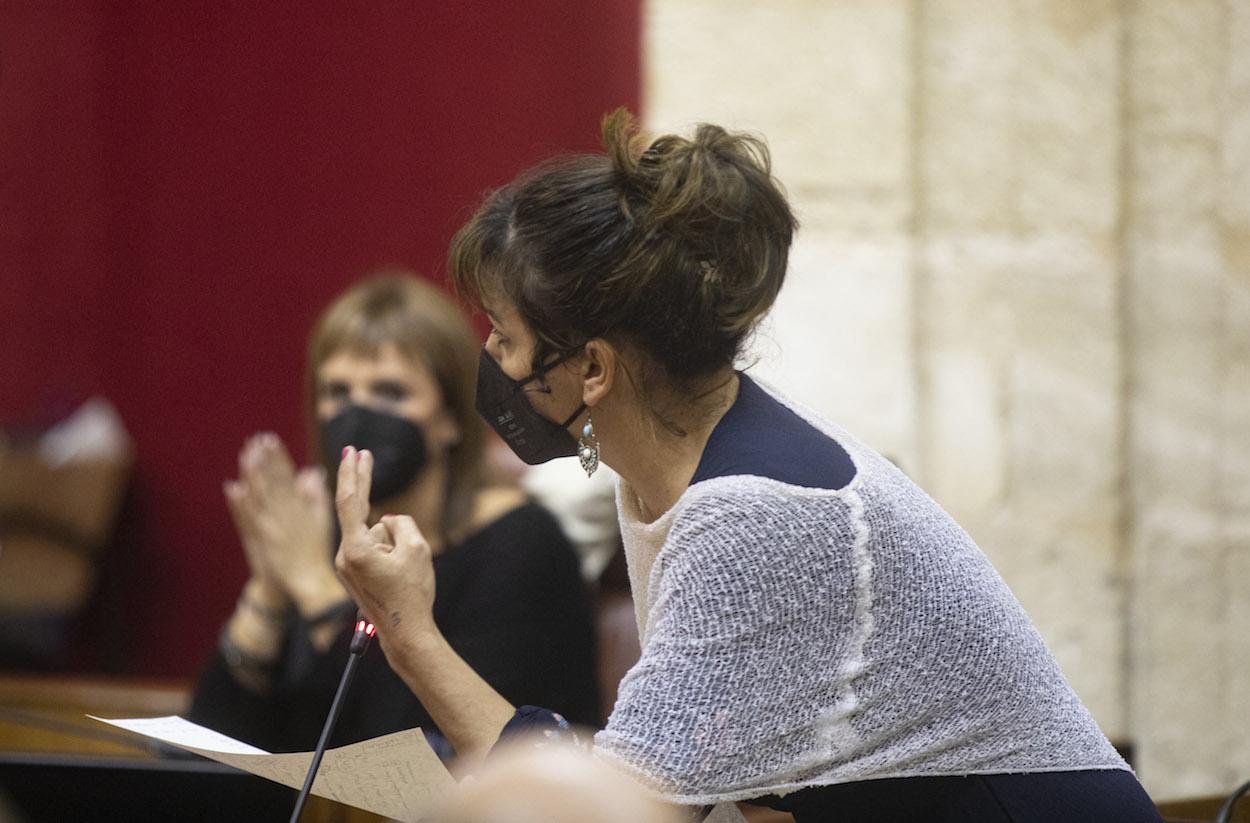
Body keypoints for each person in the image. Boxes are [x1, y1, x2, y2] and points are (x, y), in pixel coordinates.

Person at [331, 116, 1163, 821]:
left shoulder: (750, 512)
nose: (491, 356)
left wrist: (406, 630)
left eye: (505, 335)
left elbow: (615, 811)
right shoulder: (674, 468)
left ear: (591, 369)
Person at [188, 275, 600, 755]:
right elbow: (205, 749)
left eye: (389, 392)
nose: (357, 413)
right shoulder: (315, 532)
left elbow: (412, 752)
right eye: (337, 392)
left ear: (449, 418)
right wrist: (269, 588)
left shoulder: (521, 545)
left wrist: (315, 587)